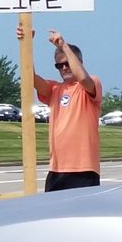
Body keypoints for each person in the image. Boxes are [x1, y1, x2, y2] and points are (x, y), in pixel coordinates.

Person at [17, 26, 102, 192]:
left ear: (77, 62)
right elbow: (30, 78)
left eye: (67, 64)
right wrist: (26, 44)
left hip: (84, 170)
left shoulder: (91, 84)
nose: (63, 68)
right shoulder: (54, 89)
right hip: (57, 170)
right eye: (59, 66)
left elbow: (83, 78)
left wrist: (63, 45)